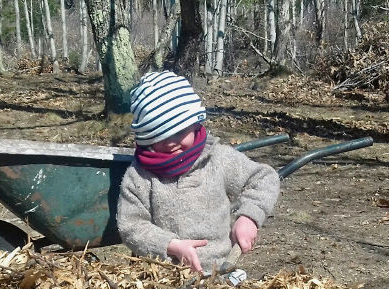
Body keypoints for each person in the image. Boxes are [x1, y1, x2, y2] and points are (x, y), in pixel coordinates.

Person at [117, 71, 280, 274]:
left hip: (220, 269)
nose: (171, 142)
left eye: (178, 132)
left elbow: (263, 177)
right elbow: (131, 225)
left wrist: (249, 217)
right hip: (162, 274)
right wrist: (171, 245)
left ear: (195, 124)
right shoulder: (140, 176)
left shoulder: (217, 158)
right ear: (145, 137)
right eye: (159, 135)